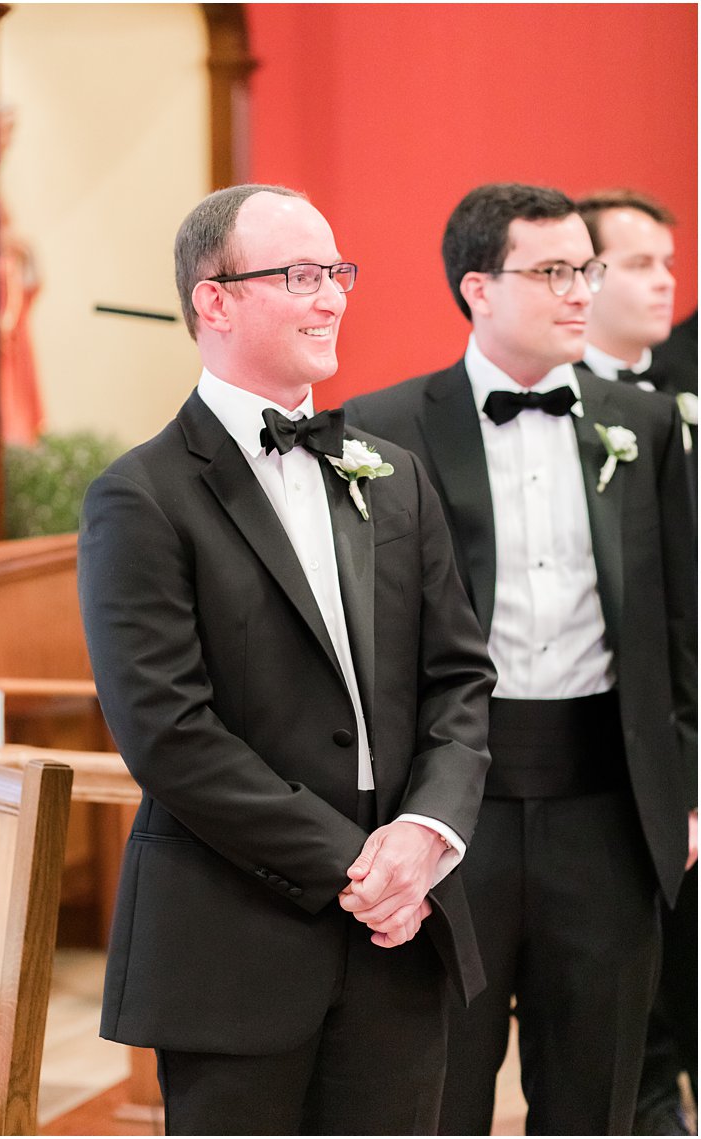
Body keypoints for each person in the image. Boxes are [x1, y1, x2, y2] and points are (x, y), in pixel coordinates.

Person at [79, 184, 497, 1135]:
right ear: (214, 300)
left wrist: (426, 835)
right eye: (301, 275)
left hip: (405, 927)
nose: (333, 297)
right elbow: (168, 734)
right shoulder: (139, 498)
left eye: (337, 273)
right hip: (237, 936)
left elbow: (461, 682)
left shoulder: (392, 477)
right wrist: (359, 864)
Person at [345, 182, 698, 1135]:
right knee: (437, 1089)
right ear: (478, 288)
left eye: (586, 267)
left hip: (608, 808)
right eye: (552, 271)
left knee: (597, 1092)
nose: (581, 289)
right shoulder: (382, 428)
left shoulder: (647, 423)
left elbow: (680, 625)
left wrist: (689, 787)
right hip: (451, 811)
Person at [576, 188, 698, 1135]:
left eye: (671, 260)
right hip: (622, 765)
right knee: (635, 1028)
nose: (668, 280)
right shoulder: (560, 411)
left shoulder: (686, 378)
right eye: (643, 262)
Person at [575, 191, 695, 397]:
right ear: (587, 273)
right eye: (640, 265)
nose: (667, 282)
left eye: (667, 265)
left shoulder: (690, 374)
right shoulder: (555, 387)